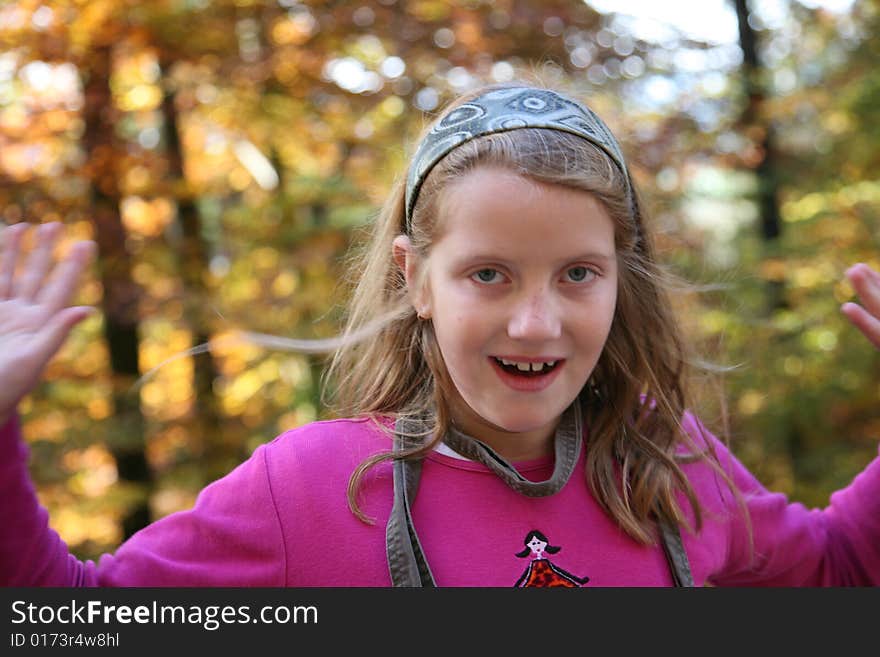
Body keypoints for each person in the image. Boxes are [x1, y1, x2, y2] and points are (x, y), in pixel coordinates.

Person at [2, 82, 879, 587]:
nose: (536, 323)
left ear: (622, 279)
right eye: (487, 273)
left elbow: (838, 570)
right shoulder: (308, 490)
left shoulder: (669, 460)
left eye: (579, 273)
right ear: (415, 276)